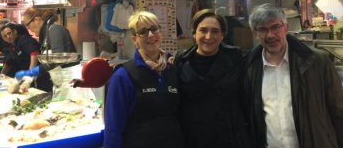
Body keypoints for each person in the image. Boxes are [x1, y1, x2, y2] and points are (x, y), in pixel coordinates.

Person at [243, 3, 343, 148]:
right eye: (262, 29)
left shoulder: (316, 62)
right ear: (255, 33)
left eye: (275, 27)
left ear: (286, 27)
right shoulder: (249, 68)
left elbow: (339, 112)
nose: (270, 35)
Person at [104, 11, 183, 148]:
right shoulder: (123, 76)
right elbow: (113, 128)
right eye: (143, 32)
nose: (151, 35)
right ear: (135, 39)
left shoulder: (173, 69)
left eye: (154, 29)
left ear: (160, 32)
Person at [174, 9, 251, 148]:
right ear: (194, 34)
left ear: (222, 35)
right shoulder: (181, 61)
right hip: (194, 138)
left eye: (215, 31)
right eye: (203, 30)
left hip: (230, 137)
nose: (208, 37)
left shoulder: (236, 58)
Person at [14, 7, 77, 82]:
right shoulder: (45, 35)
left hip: (69, 81)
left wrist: (33, 71)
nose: (28, 29)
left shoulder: (54, 30)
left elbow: (57, 59)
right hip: (60, 80)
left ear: (37, 20)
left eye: (28, 25)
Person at [0, 23, 52, 92]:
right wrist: (0, 76)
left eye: (9, 33)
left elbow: (34, 54)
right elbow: (9, 62)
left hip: (40, 76)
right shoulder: (12, 46)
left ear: (15, 31)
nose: (8, 37)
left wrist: (30, 75)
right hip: (29, 77)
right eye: (5, 36)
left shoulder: (25, 40)